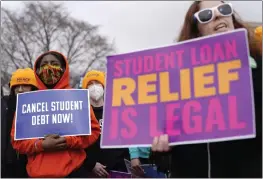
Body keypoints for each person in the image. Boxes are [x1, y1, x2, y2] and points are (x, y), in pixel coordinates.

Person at [152, 1, 262, 178]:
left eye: (224, 9)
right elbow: (164, 135)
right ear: (197, 30)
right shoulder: (176, 79)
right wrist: (162, 150)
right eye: (206, 15)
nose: (218, 15)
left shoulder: (259, 66)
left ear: (231, 17)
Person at [10, 51, 101, 178]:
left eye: (54, 64)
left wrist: (68, 141)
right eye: (44, 64)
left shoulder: (77, 98)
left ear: (63, 69)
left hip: (73, 172)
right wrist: (40, 145)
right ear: (37, 70)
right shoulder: (27, 100)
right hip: (37, 174)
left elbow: (93, 132)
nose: (49, 68)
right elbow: (17, 141)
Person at [81, 70, 129, 177]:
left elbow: (126, 139)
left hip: (118, 170)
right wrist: (90, 164)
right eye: (90, 84)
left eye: (97, 83)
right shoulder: (81, 112)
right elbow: (77, 144)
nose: (94, 87)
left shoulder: (116, 110)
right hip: (89, 171)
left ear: (103, 86)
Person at [2, 68, 38, 178]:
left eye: (25, 85)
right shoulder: (4, 105)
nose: (20, 89)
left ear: (33, 87)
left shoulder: (41, 107)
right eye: (16, 86)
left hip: (31, 163)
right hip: (6, 165)